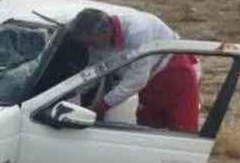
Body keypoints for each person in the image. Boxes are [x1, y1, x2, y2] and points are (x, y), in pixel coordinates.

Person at [67, 8, 199, 132]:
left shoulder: (138, 30)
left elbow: (137, 79)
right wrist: (70, 92)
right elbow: (94, 71)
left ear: (104, 32)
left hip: (174, 73)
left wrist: (102, 106)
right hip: (146, 82)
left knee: (182, 130)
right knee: (147, 130)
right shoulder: (97, 41)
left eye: (92, 43)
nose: (91, 47)